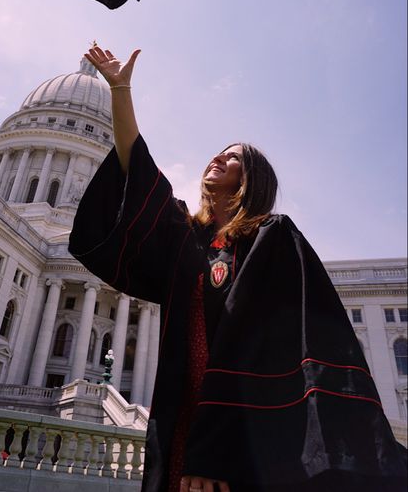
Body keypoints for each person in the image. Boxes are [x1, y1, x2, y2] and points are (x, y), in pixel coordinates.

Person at [69, 44, 406, 492]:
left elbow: (268, 344)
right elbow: (138, 171)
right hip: (181, 413)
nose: (217, 158)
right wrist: (121, 88)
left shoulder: (271, 237)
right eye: (217, 153)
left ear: (249, 178)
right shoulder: (186, 239)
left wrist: (216, 450)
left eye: (232, 158)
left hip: (240, 425)